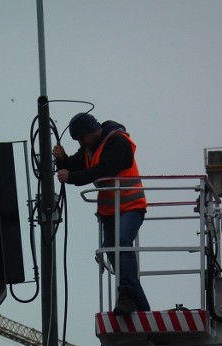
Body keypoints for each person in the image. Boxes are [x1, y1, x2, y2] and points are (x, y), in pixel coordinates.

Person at [53, 113, 151, 314]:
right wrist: (61, 159)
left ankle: (128, 294)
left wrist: (71, 177)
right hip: (109, 211)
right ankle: (138, 303)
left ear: (90, 131)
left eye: (81, 138)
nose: (80, 143)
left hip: (131, 206)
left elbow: (104, 169)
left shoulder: (117, 141)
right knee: (112, 249)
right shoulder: (89, 147)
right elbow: (73, 165)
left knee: (121, 242)